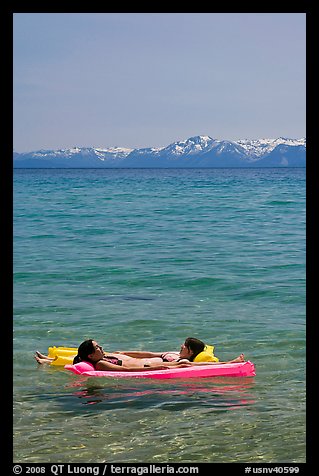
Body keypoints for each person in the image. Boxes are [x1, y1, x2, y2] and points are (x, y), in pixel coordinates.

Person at [34, 337, 245, 369]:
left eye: (184, 347)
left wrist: (171, 365)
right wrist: (124, 352)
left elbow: (127, 368)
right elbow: (145, 356)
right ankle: (51, 359)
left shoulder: (183, 361)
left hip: (146, 365)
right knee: (114, 352)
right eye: (97, 347)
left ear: (190, 352)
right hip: (139, 364)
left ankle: (49, 361)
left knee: (186, 365)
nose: (180, 347)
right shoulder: (101, 362)